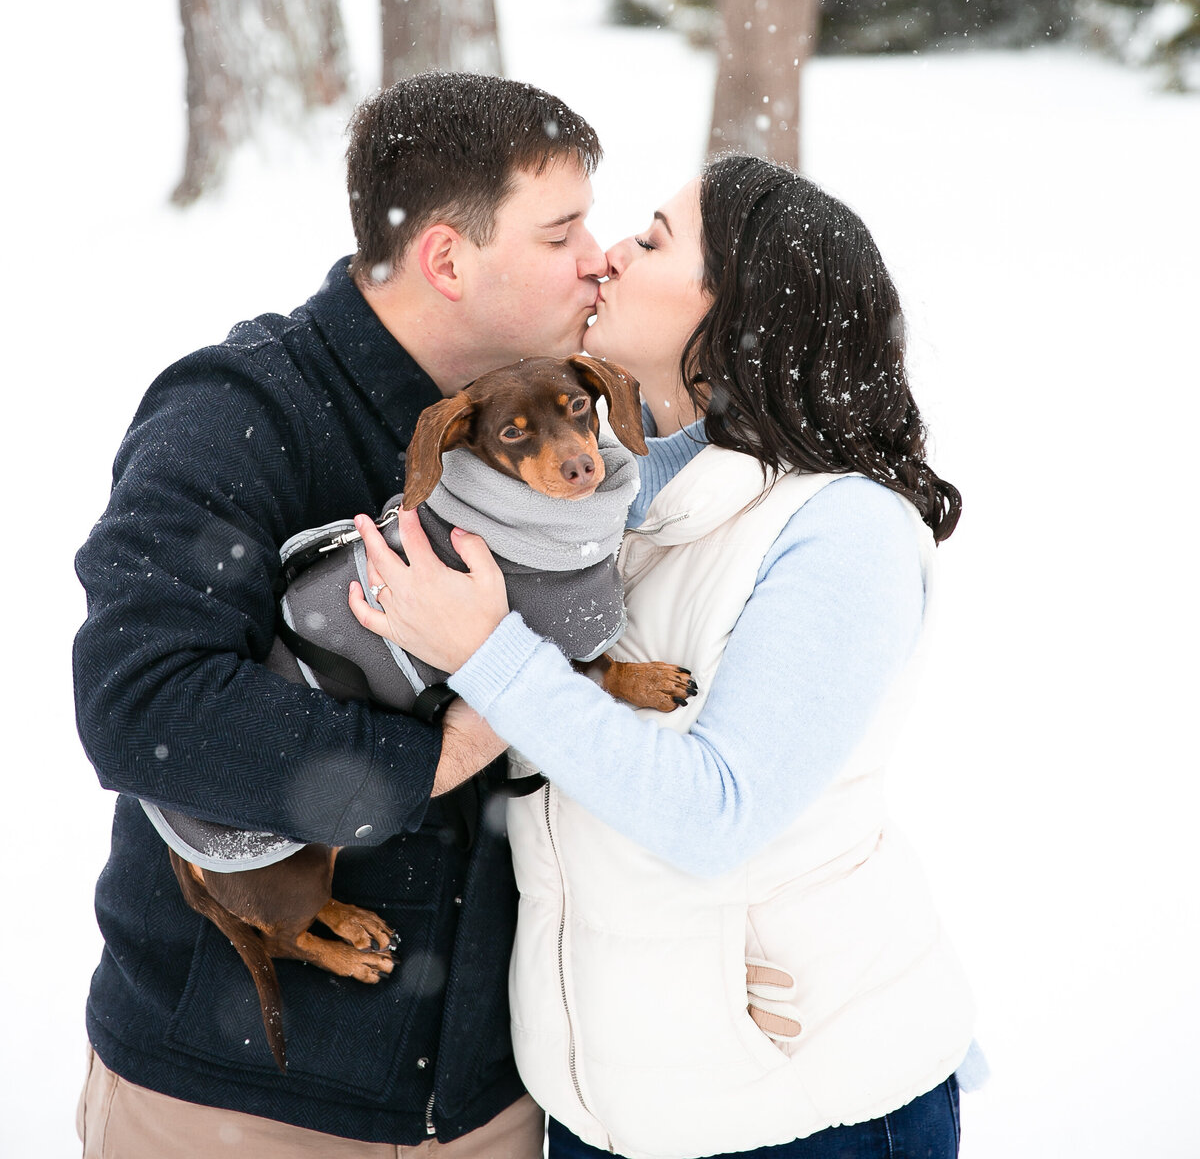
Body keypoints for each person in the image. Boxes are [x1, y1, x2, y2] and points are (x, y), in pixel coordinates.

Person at [350, 155, 981, 1159]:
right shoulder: (612, 505)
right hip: (612, 1109)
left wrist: (489, 654)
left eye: (648, 240)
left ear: (736, 310)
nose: (603, 260)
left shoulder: (841, 529)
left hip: (797, 1108)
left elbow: (717, 814)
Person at [72, 73, 609, 1157]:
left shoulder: (558, 419)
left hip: (490, 1104)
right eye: (562, 234)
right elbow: (138, 706)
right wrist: (441, 751)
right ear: (448, 260)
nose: (598, 257)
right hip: (242, 1105)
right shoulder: (237, 413)